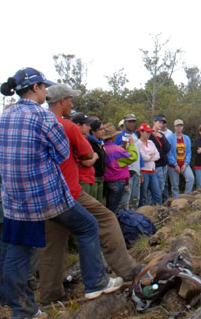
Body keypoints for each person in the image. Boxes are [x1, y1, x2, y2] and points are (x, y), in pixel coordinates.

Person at [0, 69, 120, 319]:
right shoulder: (44, 118)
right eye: (44, 88)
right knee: (87, 225)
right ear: (37, 88)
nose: (45, 93)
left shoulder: (7, 115)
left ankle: (23, 310)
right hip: (45, 196)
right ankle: (96, 283)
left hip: (15, 200)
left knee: (18, 251)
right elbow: (63, 153)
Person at [40, 84, 130, 305]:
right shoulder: (68, 126)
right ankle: (125, 271)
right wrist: (83, 158)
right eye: (70, 100)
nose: (72, 104)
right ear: (62, 101)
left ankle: (50, 295)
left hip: (44, 193)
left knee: (53, 244)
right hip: (69, 191)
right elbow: (88, 154)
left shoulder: (38, 123)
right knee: (106, 219)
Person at [103, 124, 136, 212]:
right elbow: (132, 157)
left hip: (106, 180)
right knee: (115, 208)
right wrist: (131, 144)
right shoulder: (116, 149)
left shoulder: (103, 148)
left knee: (109, 206)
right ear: (113, 136)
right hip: (117, 181)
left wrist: (124, 146)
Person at [115, 114, 141, 209]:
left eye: (133, 122)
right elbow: (115, 154)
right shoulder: (119, 136)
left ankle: (133, 218)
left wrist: (140, 169)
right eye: (129, 122)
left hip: (136, 170)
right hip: (126, 171)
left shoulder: (134, 136)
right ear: (125, 123)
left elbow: (138, 154)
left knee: (134, 198)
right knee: (125, 199)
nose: (132, 124)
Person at [72, 113, 100, 201]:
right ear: (78, 125)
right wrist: (94, 157)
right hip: (82, 180)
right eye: (87, 125)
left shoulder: (84, 139)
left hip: (89, 178)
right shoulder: (76, 140)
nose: (90, 128)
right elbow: (86, 162)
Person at [167, 119, 194, 198]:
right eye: (177, 126)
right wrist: (175, 164)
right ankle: (176, 201)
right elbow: (169, 153)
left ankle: (187, 197)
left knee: (190, 178)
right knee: (175, 185)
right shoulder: (170, 138)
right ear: (174, 127)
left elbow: (189, 152)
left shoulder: (186, 138)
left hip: (184, 164)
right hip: (173, 165)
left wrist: (185, 164)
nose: (179, 127)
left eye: (181, 126)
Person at [136, 123, 161, 206]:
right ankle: (142, 213)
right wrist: (151, 155)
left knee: (157, 193)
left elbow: (158, 155)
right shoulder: (138, 143)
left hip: (152, 171)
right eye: (147, 132)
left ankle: (159, 210)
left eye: (149, 132)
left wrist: (149, 156)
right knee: (143, 195)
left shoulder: (151, 142)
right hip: (144, 171)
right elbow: (143, 157)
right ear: (141, 132)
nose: (149, 134)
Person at [150, 116, 171, 202]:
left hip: (164, 163)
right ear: (154, 122)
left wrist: (161, 138)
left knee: (162, 186)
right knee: (157, 186)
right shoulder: (149, 134)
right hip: (156, 164)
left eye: (162, 123)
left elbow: (168, 148)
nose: (161, 124)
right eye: (159, 122)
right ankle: (153, 205)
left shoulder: (161, 134)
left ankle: (157, 204)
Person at [86, 119, 107, 204]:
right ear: (93, 131)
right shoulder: (89, 142)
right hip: (93, 177)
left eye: (103, 129)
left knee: (100, 202)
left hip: (101, 177)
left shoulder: (101, 143)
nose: (103, 131)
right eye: (100, 129)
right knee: (93, 202)